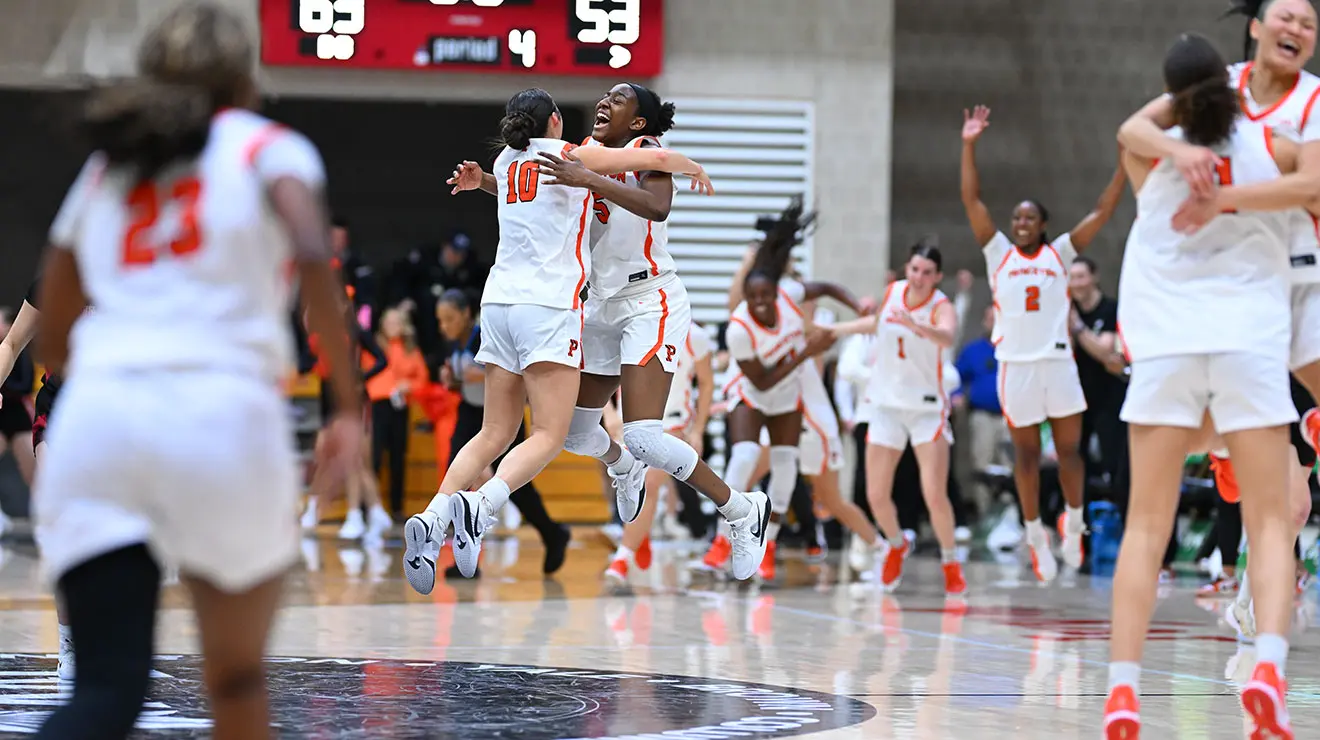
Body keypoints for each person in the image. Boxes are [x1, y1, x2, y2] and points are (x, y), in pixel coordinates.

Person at [28, 4, 363, 738]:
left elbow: (52, 330)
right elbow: (313, 249)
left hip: (99, 419)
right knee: (236, 684)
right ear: (245, 79)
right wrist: (346, 407)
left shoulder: (109, 166)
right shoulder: (269, 147)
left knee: (104, 691)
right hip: (223, 415)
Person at [404, 87, 771, 587]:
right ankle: (623, 468)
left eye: (618, 99)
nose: (604, 102)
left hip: (649, 298)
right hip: (597, 302)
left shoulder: (643, 152)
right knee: (576, 433)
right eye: (604, 96)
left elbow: (657, 207)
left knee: (642, 436)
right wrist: (489, 181)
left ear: (638, 122)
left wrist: (593, 178)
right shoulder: (577, 152)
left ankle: (741, 510)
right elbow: (533, 191)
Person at [1103, 31, 1320, 739]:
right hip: (1246, 345)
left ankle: (1123, 691)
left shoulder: (1147, 158)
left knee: (1145, 526)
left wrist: (1175, 136)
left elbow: (1132, 129)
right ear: (1233, 91)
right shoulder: (1273, 150)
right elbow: (1312, 185)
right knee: (1272, 521)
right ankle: (1268, 670)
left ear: (1173, 103)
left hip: (1165, 348)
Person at [959, 104, 1126, 582]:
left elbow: (1103, 211)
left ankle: (1073, 523)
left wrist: (1123, 164)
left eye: (1029, 217)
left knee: (1070, 452)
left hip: (1057, 364)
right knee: (1027, 457)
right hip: (1016, 366)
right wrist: (969, 145)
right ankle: (1035, 535)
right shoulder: (998, 254)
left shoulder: (1061, 253)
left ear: (1043, 224)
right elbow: (972, 200)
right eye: (1016, 217)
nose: (1020, 222)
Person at [1201, 0, 1320, 641]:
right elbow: (1138, 134)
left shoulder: (1315, 99)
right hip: (1238, 291)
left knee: (1294, 502)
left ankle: (1252, 599)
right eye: (1286, 17)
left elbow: (1312, 186)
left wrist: (1233, 189)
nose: (1297, 29)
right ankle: (1222, 444)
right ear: (1256, 26)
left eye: (1309, 22)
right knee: (1286, 498)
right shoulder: (1218, 89)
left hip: (1300, 283)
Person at [704, 204, 882, 580]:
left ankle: (769, 545)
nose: (761, 303)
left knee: (792, 470)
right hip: (753, 390)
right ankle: (722, 539)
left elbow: (828, 288)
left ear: (778, 291)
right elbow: (761, 381)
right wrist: (806, 351)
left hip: (790, 392)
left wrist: (858, 306)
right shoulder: (739, 329)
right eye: (754, 297)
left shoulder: (790, 296)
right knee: (745, 457)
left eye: (767, 295)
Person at [830, 244, 966, 594]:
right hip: (887, 404)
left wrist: (917, 325)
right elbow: (876, 324)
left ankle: (950, 561)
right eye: (914, 269)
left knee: (934, 494)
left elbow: (947, 335)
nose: (919, 277)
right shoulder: (893, 293)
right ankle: (895, 543)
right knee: (876, 494)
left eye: (927, 272)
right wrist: (836, 330)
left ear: (937, 277)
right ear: (907, 268)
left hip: (926, 408)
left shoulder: (941, 306)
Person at [434, 288, 572, 576]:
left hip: (502, 417)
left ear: (466, 314)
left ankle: (552, 533)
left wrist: (473, 375)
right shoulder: (452, 344)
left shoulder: (487, 333)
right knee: (456, 475)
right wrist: (453, 380)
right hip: (470, 412)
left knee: (516, 486)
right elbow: (464, 380)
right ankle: (466, 560)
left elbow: (507, 374)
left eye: (449, 319)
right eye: (440, 321)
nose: (444, 326)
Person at [0, 282, 81, 680]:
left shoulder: (148, 278)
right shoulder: (56, 280)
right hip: (62, 408)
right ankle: (70, 643)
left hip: (126, 414)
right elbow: (11, 343)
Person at [605, 321, 714, 581]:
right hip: (628, 419)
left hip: (673, 421)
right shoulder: (628, 324)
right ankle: (639, 533)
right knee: (629, 483)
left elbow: (707, 383)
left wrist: (698, 429)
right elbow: (601, 372)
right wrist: (607, 412)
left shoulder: (694, 335)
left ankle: (621, 560)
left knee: (649, 482)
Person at [365, 306, 428, 518]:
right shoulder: (373, 346)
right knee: (374, 457)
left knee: (398, 457)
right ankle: (368, 508)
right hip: (378, 405)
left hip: (400, 405)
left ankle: (397, 508)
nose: (392, 326)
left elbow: (422, 379)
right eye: (389, 322)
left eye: (397, 322)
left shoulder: (411, 350)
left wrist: (408, 386)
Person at [0, 308, 36, 489]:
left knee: (35, 475)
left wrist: (5, 388)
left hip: (18, 415)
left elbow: (25, 385)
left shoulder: (19, 350)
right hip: (1, 414)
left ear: (9, 326)